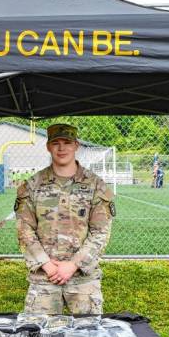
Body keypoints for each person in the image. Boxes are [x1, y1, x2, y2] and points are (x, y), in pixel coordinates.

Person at [14, 123, 115, 315]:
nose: (62, 148)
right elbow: (24, 230)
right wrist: (47, 265)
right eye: (56, 143)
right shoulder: (31, 186)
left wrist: (74, 264)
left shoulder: (96, 185)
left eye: (67, 142)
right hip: (44, 279)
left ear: (76, 146)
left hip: (83, 279)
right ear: (48, 146)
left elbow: (100, 232)